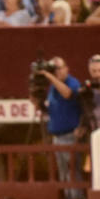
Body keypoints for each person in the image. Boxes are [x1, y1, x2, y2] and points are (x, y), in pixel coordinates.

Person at [37, 56, 83, 191]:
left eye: (58, 68)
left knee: (72, 172)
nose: (56, 72)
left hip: (70, 134)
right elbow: (51, 109)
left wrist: (50, 77)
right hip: (57, 136)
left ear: (66, 69)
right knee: (63, 173)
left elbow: (67, 94)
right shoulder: (52, 88)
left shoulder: (72, 82)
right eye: (53, 69)